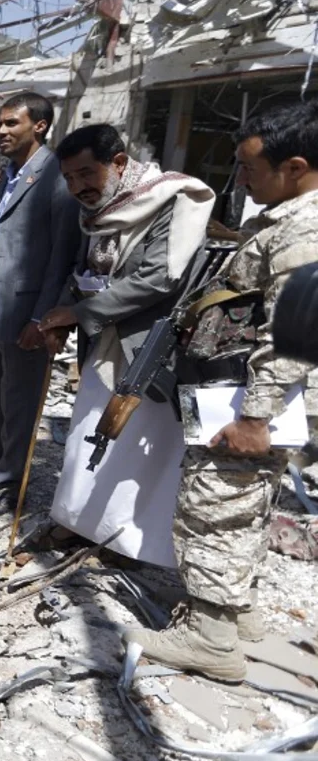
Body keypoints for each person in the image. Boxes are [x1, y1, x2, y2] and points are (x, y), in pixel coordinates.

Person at [116, 101, 318, 680]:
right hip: (247, 394)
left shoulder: (304, 230)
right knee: (245, 507)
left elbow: (290, 335)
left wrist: (255, 419)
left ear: (295, 166)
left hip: (251, 401)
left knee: (214, 509)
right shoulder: (287, 215)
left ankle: (211, 638)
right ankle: (235, 610)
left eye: (250, 168)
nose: (241, 180)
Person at [38, 123, 215, 567]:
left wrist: (79, 314)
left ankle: (124, 544)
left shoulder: (176, 199)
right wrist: (67, 312)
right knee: (86, 437)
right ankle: (76, 523)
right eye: (69, 179)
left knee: (137, 450)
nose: (78, 187)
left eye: (86, 174)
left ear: (118, 164)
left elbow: (161, 275)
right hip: (104, 345)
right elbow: (87, 273)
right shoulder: (102, 210)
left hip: (148, 348)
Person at [0, 93, 81, 492]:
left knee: (19, 399)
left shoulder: (54, 176)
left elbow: (62, 255)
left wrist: (43, 318)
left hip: (27, 311)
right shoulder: (11, 175)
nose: (0, 131)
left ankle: (11, 477)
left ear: (39, 126)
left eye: (11, 123)